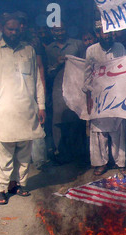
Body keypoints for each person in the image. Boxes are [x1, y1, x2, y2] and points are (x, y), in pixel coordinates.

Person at [0, 13, 45, 205]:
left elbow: (37, 82)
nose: (14, 32)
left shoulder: (29, 51)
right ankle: (0, 189)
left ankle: (18, 184)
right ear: (2, 28)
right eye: (10, 29)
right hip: (2, 112)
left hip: (26, 110)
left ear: (21, 28)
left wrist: (41, 106)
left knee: (24, 153)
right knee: (2, 153)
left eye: (17, 29)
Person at [83, 23, 126, 176]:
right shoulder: (91, 50)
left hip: (117, 95)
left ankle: (120, 162)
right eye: (103, 33)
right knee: (99, 132)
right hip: (98, 95)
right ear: (98, 34)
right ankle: (101, 163)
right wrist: (88, 96)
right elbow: (87, 75)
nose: (107, 35)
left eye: (109, 32)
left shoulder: (120, 47)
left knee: (118, 130)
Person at [46, 22, 86, 165]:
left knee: (77, 118)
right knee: (58, 120)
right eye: (57, 31)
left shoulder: (78, 44)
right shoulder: (49, 49)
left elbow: (85, 65)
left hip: (75, 86)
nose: (60, 33)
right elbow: (47, 72)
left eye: (62, 30)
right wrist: (57, 64)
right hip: (58, 88)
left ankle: (80, 152)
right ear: (52, 32)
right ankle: (62, 152)